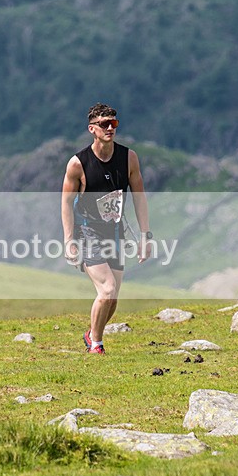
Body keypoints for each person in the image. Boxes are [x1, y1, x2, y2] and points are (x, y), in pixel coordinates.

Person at [61, 103, 151, 355]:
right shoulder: (78, 164)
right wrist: (69, 239)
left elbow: (139, 197)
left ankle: (91, 333)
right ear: (92, 129)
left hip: (115, 232)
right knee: (107, 289)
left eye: (114, 123)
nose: (110, 127)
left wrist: (145, 235)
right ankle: (96, 344)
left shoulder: (128, 157)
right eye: (104, 124)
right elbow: (66, 203)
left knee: (112, 300)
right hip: (87, 232)